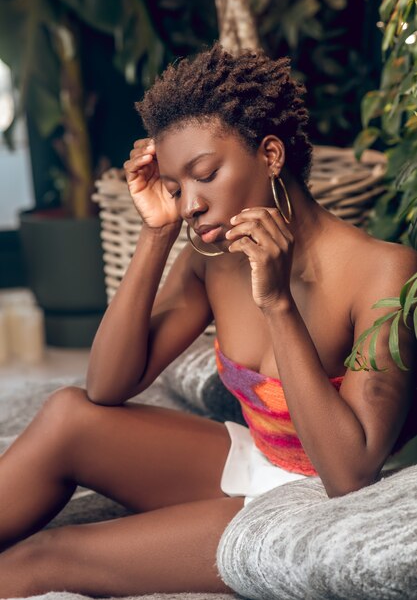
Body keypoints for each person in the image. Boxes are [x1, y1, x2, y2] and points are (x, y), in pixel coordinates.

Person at [0, 42, 416, 598]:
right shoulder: (212, 262)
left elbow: (351, 475)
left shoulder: (386, 272)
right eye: (177, 187)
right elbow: (106, 386)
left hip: (314, 501)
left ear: (270, 154)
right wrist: (156, 234)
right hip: (253, 458)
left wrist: (277, 304)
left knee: (46, 558)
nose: (190, 203)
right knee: (66, 415)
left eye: (205, 174)